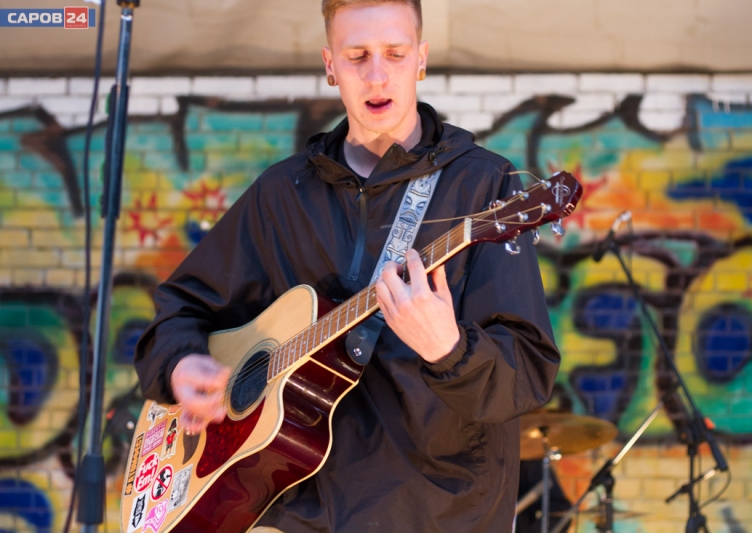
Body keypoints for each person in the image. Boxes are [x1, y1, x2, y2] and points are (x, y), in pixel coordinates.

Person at [134, 0, 561, 531]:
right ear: (330, 64)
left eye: (395, 54)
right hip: (296, 509)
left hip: (436, 513)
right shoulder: (282, 193)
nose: (376, 75)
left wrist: (450, 350)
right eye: (357, 56)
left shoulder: (483, 187)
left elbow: (528, 373)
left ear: (421, 60)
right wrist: (180, 363)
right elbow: (180, 308)